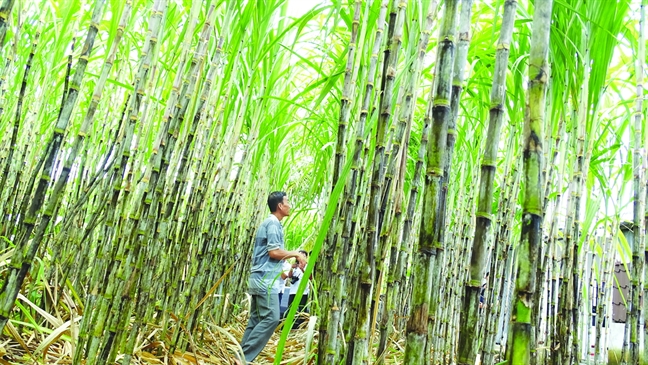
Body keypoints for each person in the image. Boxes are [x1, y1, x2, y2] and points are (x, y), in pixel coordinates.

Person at [238, 191, 307, 365]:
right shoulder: (273, 223)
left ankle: (238, 358)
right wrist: (296, 253)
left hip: (259, 278)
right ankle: (243, 359)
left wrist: (291, 260)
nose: (290, 205)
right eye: (287, 202)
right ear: (280, 206)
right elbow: (274, 252)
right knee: (272, 318)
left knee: (255, 319)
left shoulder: (270, 223)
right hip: (265, 280)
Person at [286, 249, 310, 328]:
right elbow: (289, 276)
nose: (301, 256)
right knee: (290, 308)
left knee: (302, 309)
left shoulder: (307, 265)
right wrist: (291, 268)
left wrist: (302, 269)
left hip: (303, 291)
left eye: (304, 255)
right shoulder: (294, 265)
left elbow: (310, 277)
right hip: (293, 291)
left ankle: (300, 326)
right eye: (300, 254)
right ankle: (288, 325)